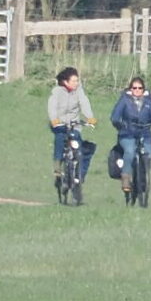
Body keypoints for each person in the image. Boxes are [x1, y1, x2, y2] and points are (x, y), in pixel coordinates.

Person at [46, 65, 96, 202]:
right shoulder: (57, 92)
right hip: (59, 124)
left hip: (74, 124)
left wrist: (89, 117)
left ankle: (78, 177)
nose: (76, 83)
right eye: (73, 81)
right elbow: (52, 107)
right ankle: (58, 165)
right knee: (60, 138)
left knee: (78, 146)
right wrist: (54, 120)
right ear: (65, 82)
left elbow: (84, 102)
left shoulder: (78, 91)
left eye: (77, 80)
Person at [111, 74, 151, 194]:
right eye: (134, 88)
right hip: (127, 134)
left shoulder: (148, 102)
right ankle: (126, 177)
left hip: (145, 134)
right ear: (130, 89)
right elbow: (115, 115)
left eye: (140, 88)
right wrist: (119, 124)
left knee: (148, 154)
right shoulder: (124, 101)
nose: (137, 90)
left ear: (143, 89)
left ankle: (143, 178)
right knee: (130, 151)